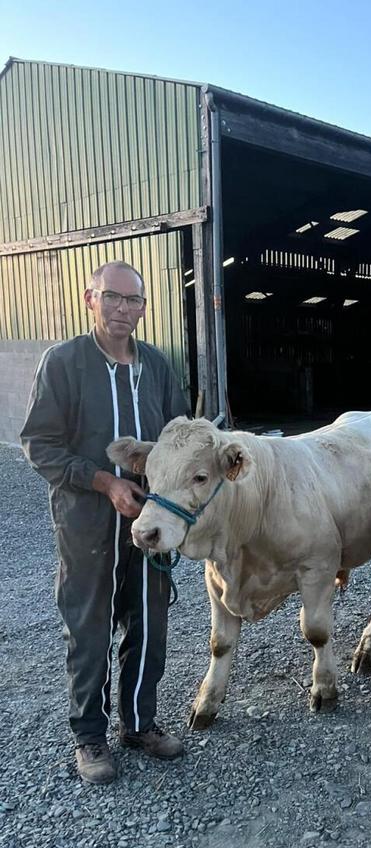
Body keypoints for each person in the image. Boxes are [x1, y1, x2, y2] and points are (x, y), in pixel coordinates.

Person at [21, 261, 190, 785]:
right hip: (89, 523)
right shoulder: (65, 363)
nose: (123, 309)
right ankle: (90, 737)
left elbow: (181, 437)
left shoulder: (158, 367)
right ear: (90, 299)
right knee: (89, 627)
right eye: (112, 297)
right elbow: (39, 444)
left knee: (149, 621)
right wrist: (106, 482)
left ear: (143, 308)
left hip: (151, 521)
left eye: (133, 301)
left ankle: (139, 724)